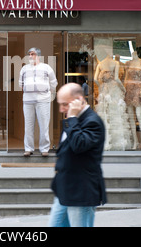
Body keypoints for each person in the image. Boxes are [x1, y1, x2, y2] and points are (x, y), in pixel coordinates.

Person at [49, 83, 107, 227]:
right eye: (59, 104)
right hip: (64, 189)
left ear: (79, 100)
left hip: (81, 192)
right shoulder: (72, 119)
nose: (61, 109)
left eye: (64, 104)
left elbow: (79, 145)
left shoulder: (93, 122)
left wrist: (72, 118)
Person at [19, 47, 58, 157]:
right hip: (28, 101)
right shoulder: (24, 69)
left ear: (39, 56)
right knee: (28, 126)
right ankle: (28, 149)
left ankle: (44, 149)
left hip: (43, 101)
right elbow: (20, 84)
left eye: (33, 54)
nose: (30, 56)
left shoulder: (47, 68)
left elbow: (54, 83)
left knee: (44, 125)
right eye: (29, 54)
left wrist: (46, 93)